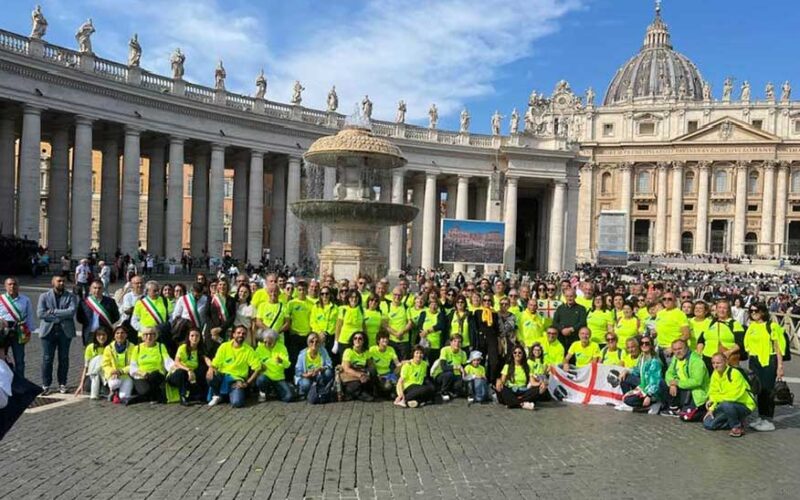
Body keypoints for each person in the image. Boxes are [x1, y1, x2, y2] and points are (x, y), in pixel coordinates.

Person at [744, 303, 785, 432]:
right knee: (758, 390)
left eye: (756, 311)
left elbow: (778, 348)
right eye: (751, 311)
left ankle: (768, 419)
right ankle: (761, 417)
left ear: (763, 311)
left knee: (768, 391)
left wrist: (780, 366)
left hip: (769, 360)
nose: (753, 313)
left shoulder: (772, 326)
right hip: (755, 360)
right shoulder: (752, 326)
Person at [37, 275, 77, 395]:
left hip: (65, 332)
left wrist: (53, 311)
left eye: (63, 281)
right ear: (52, 282)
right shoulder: (44, 296)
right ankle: (46, 385)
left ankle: (62, 383)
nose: (61, 283)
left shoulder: (71, 296)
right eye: (59, 281)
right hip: (48, 332)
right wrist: (60, 317)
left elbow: (71, 312)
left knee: (64, 358)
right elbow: (40, 314)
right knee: (47, 359)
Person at [703, 353, 756, 437]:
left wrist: (716, 399)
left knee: (726, 404)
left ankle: (736, 427)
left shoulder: (735, 373)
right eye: (713, 363)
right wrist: (711, 409)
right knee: (708, 424)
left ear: (726, 362)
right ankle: (734, 420)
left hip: (743, 405)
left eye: (718, 363)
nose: (715, 366)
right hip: (724, 405)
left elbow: (733, 396)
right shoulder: (715, 374)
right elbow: (712, 393)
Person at [208, 325, 261, 408]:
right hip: (222, 377)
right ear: (233, 334)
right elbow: (215, 363)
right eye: (238, 333)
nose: (241, 335)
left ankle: (224, 395)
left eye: (243, 334)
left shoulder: (249, 350)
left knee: (237, 403)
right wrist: (210, 369)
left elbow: (257, 368)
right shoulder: (224, 346)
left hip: (237, 380)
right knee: (209, 376)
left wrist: (246, 383)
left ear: (245, 336)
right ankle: (217, 395)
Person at [663, 338, 709, 419]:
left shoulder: (696, 361)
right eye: (675, 349)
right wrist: (672, 383)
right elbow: (669, 373)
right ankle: (675, 408)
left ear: (687, 348)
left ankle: (705, 411)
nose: (678, 351)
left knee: (686, 417)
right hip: (684, 389)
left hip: (696, 393)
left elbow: (697, 382)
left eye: (680, 348)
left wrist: (677, 383)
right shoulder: (675, 358)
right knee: (662, 383)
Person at [126, 327, 173, 405]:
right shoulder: (137, 348)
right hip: (142, 376)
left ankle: (149, 397)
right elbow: (133, 367)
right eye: (146, 334)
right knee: (144, 391)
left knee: (154, 375)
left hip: (157, 376)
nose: (149, 336)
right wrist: (142, 373)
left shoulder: (161, 346)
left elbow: (168, 361)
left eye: (151, 334)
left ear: (155, 336)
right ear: (142, 337)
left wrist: (174, 367)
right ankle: (153, 396)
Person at [0, 277, 35, 379]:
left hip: (19, 330)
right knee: (2, 358)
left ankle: (21, 382)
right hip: (3, 332)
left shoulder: (25, 299)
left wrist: (29, 330)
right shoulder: (1, 299)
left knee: (19, 359)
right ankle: (3, 381)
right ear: (5, 286)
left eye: (14, 284)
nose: (12, 286)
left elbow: (29, 315)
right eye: (10, 284)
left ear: (18, 286)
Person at [697, 299, 744, 373]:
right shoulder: (709, 323)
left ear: (728, 310)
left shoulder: (735, 324)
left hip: (725, 358)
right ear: (716, 309)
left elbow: (740, 343)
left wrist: (728, 352)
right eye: (719, 307)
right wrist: (699, 355)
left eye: (724, 308)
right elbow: (701, 340)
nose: (722, 310)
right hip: (707, 357)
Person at [620, 336, 664, 414]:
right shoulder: (642, 357)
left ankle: (653, 403)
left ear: (651, 345)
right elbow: (637, 370)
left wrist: (649, 396)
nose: (644, 345)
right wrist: (627, 371)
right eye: (642, 343)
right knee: (624, 379)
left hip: (653, 391)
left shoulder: (655, 361)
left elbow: (655, 382)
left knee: (628, 400)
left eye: (647, 343)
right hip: (644, 385)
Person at [167, 328, 209, 405]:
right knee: (181, 372)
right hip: (177, 374)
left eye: (197, 336)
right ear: (188, 337)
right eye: (192, 336)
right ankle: (182, 397)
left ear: (200, 338)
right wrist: (188, 370)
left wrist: (211, 367)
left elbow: (206, 359)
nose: (194, 338)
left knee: (203, 370)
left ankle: (201, 396)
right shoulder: (183, 347)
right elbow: (177, 362)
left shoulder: (200, 349)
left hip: (190, 376)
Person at [495, 344, 542, 410]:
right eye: (515, 352)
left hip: (523, 391)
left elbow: (532, 382)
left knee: (536, 390)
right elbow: (502, 381)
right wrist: (499, 381)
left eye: (520, 353)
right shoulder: (507, 366)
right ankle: (522, 404)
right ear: (512, 354)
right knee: (503, 389)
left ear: (523, 354)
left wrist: (541, 383)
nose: (517, 354)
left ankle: (513, 402)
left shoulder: (527, 367)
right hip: (511, 390)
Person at [254, 328, 293, 403]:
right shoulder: (259, 349)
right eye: (265, 342)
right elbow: (255, 363)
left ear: (275, 340)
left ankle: (276, 391)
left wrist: (282, 361)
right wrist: (260, 366)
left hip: (278, 377)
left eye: (270, 343)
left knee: (288, 397)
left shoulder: (281, 347)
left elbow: (287, 365)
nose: (267, 345)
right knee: (260, 380)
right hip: (266, 376)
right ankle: (263, 393)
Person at [76, 280, 119, 346]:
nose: (97, 290)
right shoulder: (84, 302)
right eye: (95, 288)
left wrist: (106, 323)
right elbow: (79, 317)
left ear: (103, 289)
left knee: (106, 355)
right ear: (90, 289)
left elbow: (116, 316)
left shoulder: (110, 302)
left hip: (105, 334)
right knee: (90, 355)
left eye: (99, 288)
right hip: (90, 333)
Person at [102, 325, 136, 404]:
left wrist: (121, 371)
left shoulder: (133, 347)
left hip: (126, 375)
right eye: (117, 333)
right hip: (114, 375)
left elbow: (134, 364)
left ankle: (117, 393)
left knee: (123, 397)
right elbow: (105, 364)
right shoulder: (108, 348)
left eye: (122, 333)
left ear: (126, 335)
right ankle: (114, 390)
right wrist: (112, 372)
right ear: (114, 335)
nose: (120, 335)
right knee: (114, 383)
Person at [294, 332, 333, 400]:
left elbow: (329, 364)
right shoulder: (302, 354)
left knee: (328, 372)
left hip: (319, 375)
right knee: (306, 384)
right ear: (308, 343)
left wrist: (321, 368)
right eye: (311, 341)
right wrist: (306, 375)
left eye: (317, 341)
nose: (314, 343)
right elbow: (297, 371)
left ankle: (322, 391)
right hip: (307, 376)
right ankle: (309, 392)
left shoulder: (323, 350)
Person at [74, 327, 110, 400]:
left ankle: (95, 393)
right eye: (99, 335)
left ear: (107, 336)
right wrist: (81, 384)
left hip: (107, 374)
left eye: (104, 335)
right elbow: (86, 367)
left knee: (101, 358)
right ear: (95, 336)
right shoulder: (90, 347)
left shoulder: (110, 347)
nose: (101, 337)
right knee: (98, 359)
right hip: (93, 374)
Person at [654, 292, 690, 360]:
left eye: (669, 299)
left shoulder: (680, 314)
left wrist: (673, 347)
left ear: (675, 301)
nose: (666, 301)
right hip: (659, 348)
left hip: (672, 350)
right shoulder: (660, 313)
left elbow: (686, 335)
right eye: (664, 299)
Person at [473, 294, 501, 382]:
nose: (487, 302)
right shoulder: (477, 312)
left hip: (492, 338)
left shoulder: (495, 314)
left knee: (494, 361)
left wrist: (499, 341)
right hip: (481, 338)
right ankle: (480, 380)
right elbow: (475, 327)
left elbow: (497, 329)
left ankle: (491, 380)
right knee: (480, 360)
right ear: (482, 301)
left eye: (489, 300)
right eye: (485, 300)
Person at [339, 332, 374, 401]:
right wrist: (359, 375)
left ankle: (357, 394)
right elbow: (346, 368)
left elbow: (371, 366)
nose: (357, 340)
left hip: (362, 373)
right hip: (351, 376)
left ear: (363, 341)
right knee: (356, 385)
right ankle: (359, 394)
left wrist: (367, 374)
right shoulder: (348, 351)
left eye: (360, 338)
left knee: (373, 372)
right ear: (352, 340)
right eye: (355, 338)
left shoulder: (366, 352)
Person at [286, 281, 313, 369]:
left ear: (307, 291)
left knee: (305, 359)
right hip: (295, 335)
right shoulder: (291, 303)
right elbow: (287, 319)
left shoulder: (311, 304)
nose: (302, 292)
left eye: (304, 290)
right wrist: (291, 330)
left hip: (307, 335)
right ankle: (293, 378)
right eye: (300, 290)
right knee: (293, 358)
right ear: (296, 291)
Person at [432, 334, 467, 400]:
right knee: (449, 374)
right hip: (441, 374)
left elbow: (464, 367)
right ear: (450, 342)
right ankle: (443, 392)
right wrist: (457, 367)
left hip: (456, 375)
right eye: (454, 341)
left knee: (459, 386)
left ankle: (451, 390)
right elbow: (443, 367)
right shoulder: (444, 350)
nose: (457, 344)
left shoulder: (463, 353)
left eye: (459, 342)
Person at [368, 331, 400, 399]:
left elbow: (397, 364)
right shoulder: (372, 349)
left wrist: (394, 374)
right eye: (383, 338)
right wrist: (377, 375)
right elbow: (370, 364)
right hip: (377, 376)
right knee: (387, 387)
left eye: (387, 338)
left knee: (389, 387)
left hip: (388, 374)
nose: (385, 340)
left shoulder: (391, 349)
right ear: (378, 340)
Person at [383, 287, 412, 360]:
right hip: (391, 340)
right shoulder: (387, 306)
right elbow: (385, 324)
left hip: (404, 341)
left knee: (403, 362)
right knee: (392, 362)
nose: (397, 297)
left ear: (402, 296)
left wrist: (402, 332)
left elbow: (410, 323)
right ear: (392, 295)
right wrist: (396, 334)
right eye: (395, 294)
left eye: (399, 295)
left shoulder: (406, 307)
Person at [418, 294, 448, 363]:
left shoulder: (440, 315)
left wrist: (427, 331)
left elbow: (440, 325)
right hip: (425, 344)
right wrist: (422, 333)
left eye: (435, 305)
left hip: (436, 345)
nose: (433, 307)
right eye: (431, 304)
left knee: (433, 364)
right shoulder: (424, 313)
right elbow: (419, 326)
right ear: (429, 305)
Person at [335, 291, 364, 358]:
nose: (354, 299)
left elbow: (363, 326)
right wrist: (336, 342)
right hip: (344, 341)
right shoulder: (342, 309)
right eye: (351, 297)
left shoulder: (362, 310)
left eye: (356, 297)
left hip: (357, 342)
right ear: (348, 298)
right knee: (344, 363)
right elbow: (338, 326)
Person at [311, 286, 338, 355]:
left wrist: (328, 333)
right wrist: (320, 332)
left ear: (330, 295)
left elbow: (337, 323)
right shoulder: (316, 307)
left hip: (330, 337)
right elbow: (313, 322)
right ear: (320, 295)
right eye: (322, 294)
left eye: (327, 293)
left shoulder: (335, 308)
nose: (324, 295)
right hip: (318, 337)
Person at [208, 278, 236, 345]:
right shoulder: (211, 299)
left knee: (224, 346)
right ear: (217, 286)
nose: (222, 286)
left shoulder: (231, 300)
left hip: (225, 329)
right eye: (220, 284)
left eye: (224, 285)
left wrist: (221, 328)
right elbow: (207, 315)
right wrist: (212, 328)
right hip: (212, 330)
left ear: (227, 286)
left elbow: (233, 316)